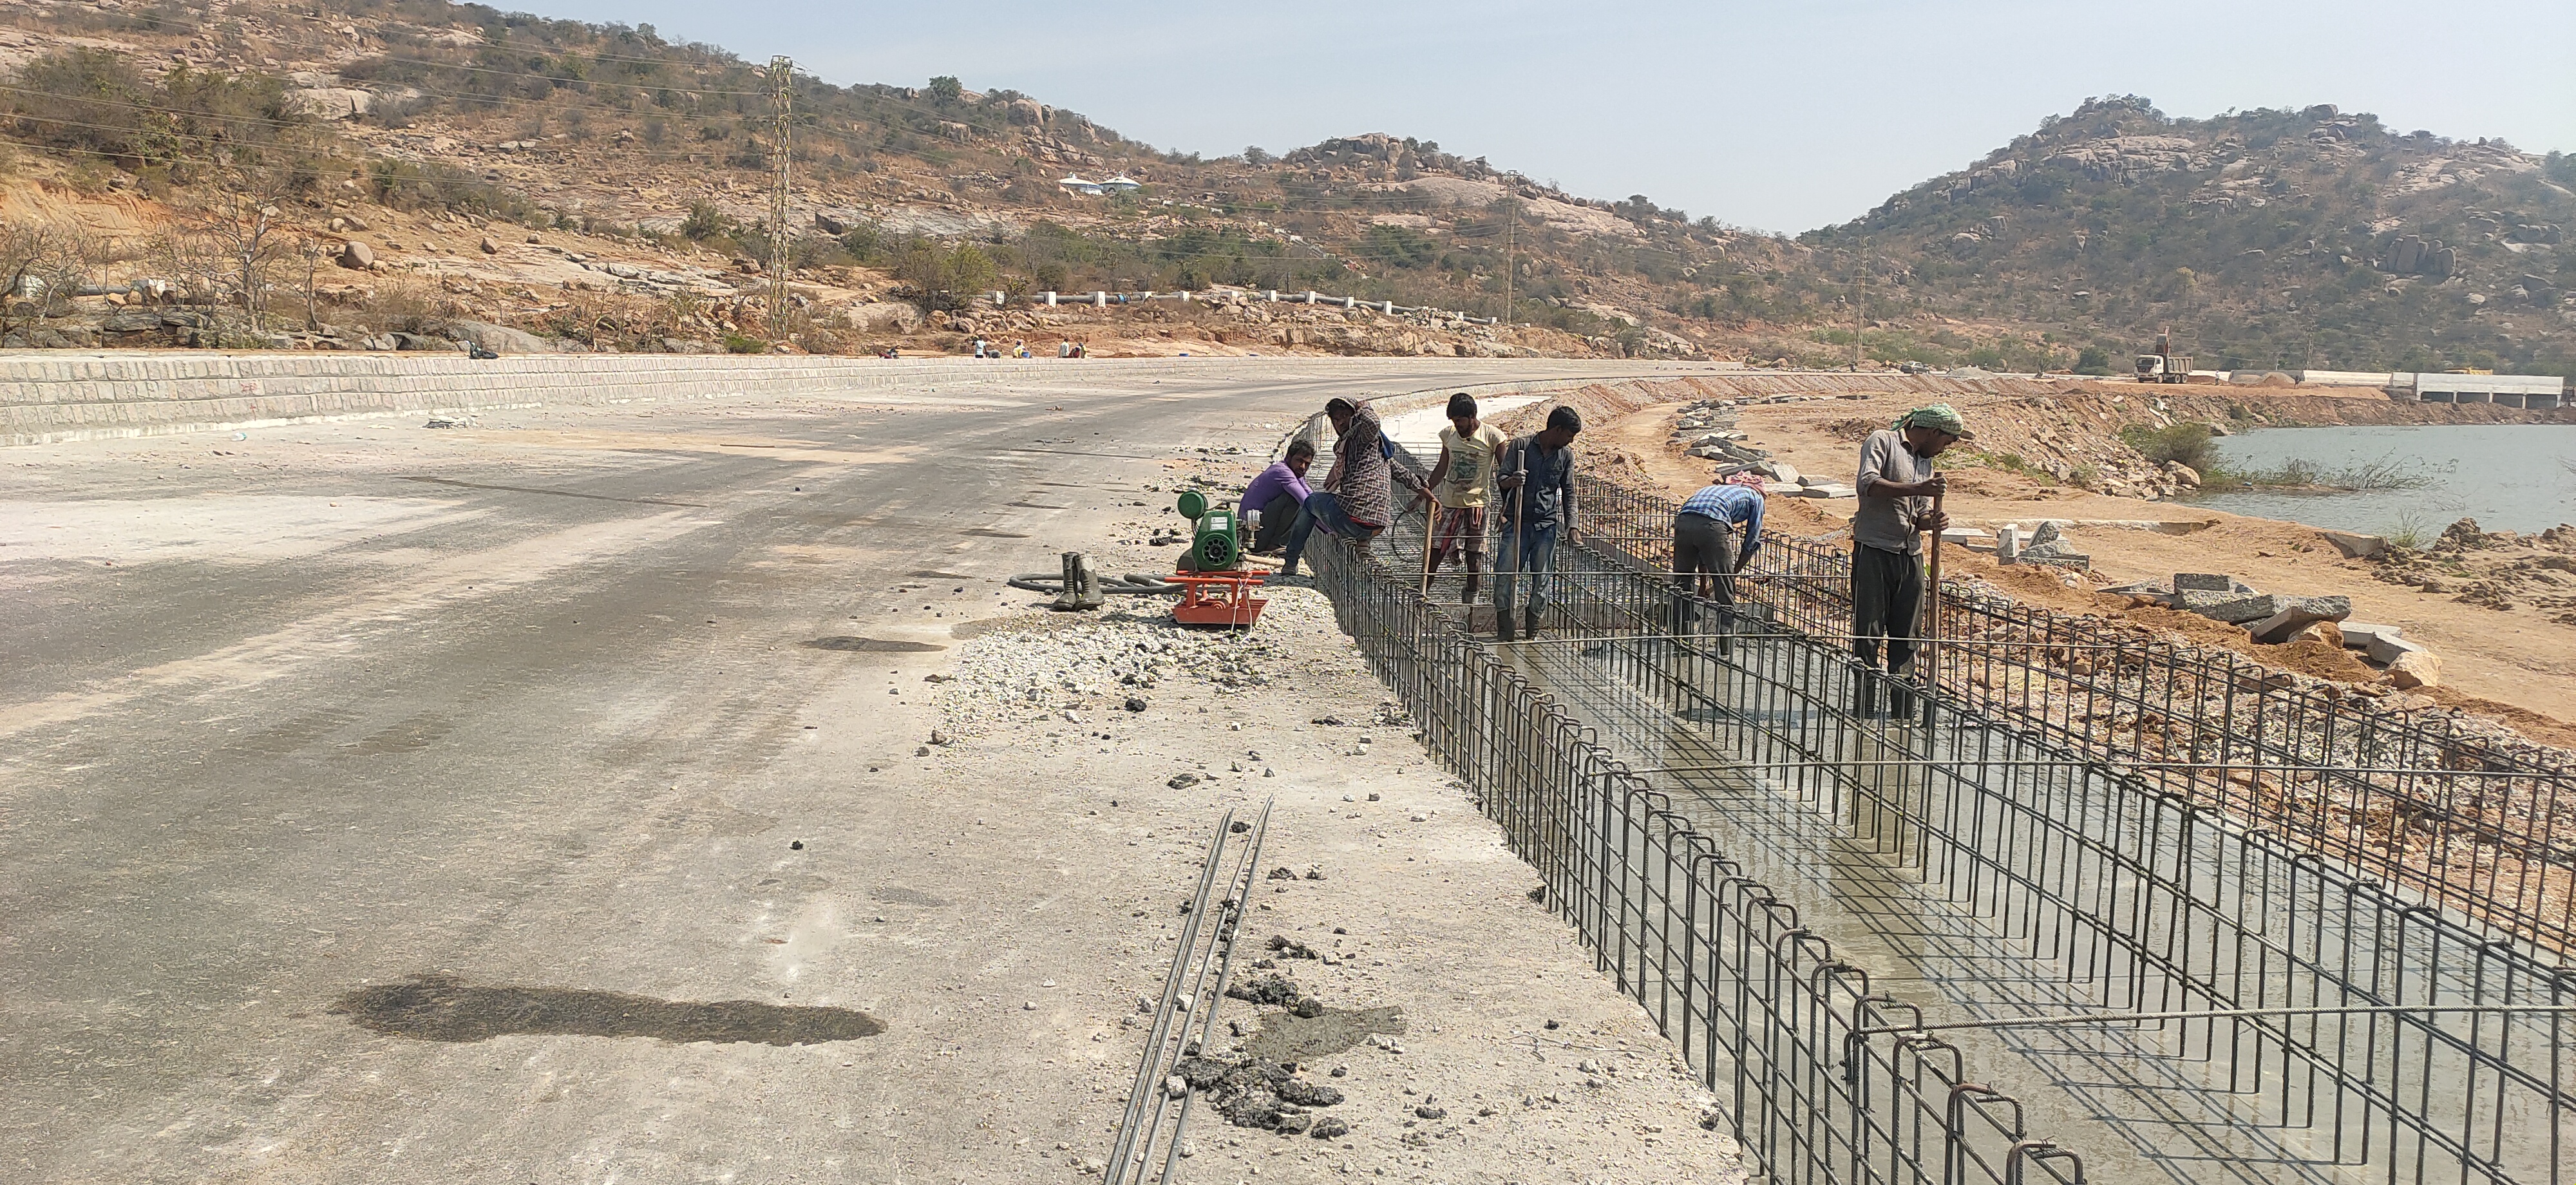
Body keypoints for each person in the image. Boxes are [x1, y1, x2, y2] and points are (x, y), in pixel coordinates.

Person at [1850, 404, 1968, 716]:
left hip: (1910, 554)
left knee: (1907, 635)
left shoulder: (1924, 462)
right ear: (1933, 432)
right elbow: (1869, 485)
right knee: (1869, 633)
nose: (1945, 449)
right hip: (1875, 551)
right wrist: (1918, 487)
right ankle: (1864, 710)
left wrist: (1932, 521)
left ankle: (1902, 712)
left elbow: (1919, 514)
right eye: (1947, 442)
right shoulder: (1883, 441)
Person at [1278, 397, 1392, 582]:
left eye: (1346, 416)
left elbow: (1372, 422)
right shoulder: (1378, 449)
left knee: (1311, 502)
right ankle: (1363, 544)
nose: (1341, 423)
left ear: (1355, 417)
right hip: (1377, 525)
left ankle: (1290, 561)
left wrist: (1362, 406)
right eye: (1336, 419)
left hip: (1354, 521)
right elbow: (1401, 472)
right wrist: (1425, 493)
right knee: (1350, 499)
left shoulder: (1362, 437)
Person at [1493, 406, 1581, 641]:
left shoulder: (1566, 456)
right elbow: (1501, 480)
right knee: (1505, 576)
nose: (1570, 441)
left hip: (1546, 527)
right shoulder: (1520, 447)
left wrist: (1572, 524)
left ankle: (1532, 632)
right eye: (1569, 435)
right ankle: (1505, 630)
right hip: (1517, 523)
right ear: (1557, 429)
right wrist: (1512, 480)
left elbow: (1569, 491)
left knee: (1541, 580)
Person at [1411, 392, 1507, 602]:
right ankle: (1421, 595)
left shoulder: (1492, 437)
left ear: (1473, 416)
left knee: (1474, 560)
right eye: (1454, 421)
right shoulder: (1449, 435)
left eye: (1460, 421)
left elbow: (1505, 475)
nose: (1457, 425)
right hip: (1448, 505)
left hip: (1477, 507)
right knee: (1434, 553)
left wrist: (1506, 509)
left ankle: (1470, 604)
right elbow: (1441, 468)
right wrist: (1422, 494)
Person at [1672, 478, 1765, 647]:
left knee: (1681, 585)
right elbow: (1751, 541)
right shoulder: (1757, 498)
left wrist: (1703, 584)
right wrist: (1731, 573)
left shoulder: (1713, 490)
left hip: (1683, 522)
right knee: (1725, 592)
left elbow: (1701, 547)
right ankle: (1725, 649)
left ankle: (1680, 641)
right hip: (1712, 525)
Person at [1241, 440, 1316, 555]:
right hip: (1251, 536)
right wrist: (1332, 529)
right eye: (1299, 461)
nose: (1303, 467)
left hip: (1257, 531)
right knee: (1293, 499)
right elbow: (1306, 501)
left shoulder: (1296, 473)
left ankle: (1274, 544)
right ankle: (1276, 545)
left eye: (1307, 464)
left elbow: (1310, 494)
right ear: (1289, 457)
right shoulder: (1283, 472)